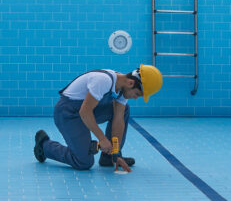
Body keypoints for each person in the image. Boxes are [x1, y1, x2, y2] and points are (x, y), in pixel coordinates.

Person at [34, 64, 163, 172]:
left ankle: (109, 157)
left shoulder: (122, 89)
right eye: (137, 94)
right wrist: (102, 138)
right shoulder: (104, 80)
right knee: (84, 162)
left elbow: (118, 119)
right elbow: (85, 111)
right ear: (131, 82)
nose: (135, 98)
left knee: (124, 110)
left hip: (87, 110)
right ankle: (44, 145)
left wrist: (116, 152)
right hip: (68, 113)